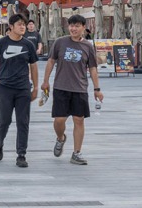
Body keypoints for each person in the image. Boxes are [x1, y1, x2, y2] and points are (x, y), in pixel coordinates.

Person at [40, 13, 103, 165]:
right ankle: (61, 138)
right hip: (61, 87)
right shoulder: (60, 42)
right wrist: (45, 81)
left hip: (80, 88)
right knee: (59, 120)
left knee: (79, 120)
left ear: (83, 28)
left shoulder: (87, 46)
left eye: (77, 26)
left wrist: (97, 88)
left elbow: (93, 68)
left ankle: (77, 153)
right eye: (71, 26)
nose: (73, 29)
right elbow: (51, 61)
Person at [0, 12, 38, 168]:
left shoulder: (28, 45)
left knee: (23, 122)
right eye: (19, 24)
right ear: (11, 26)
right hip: (5, 89)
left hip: (23, 88)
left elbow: (34, 67)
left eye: (24, 24)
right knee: (4, 121)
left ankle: (21, 154)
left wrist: (35, 87)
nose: (23, 27)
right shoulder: (2, 43)